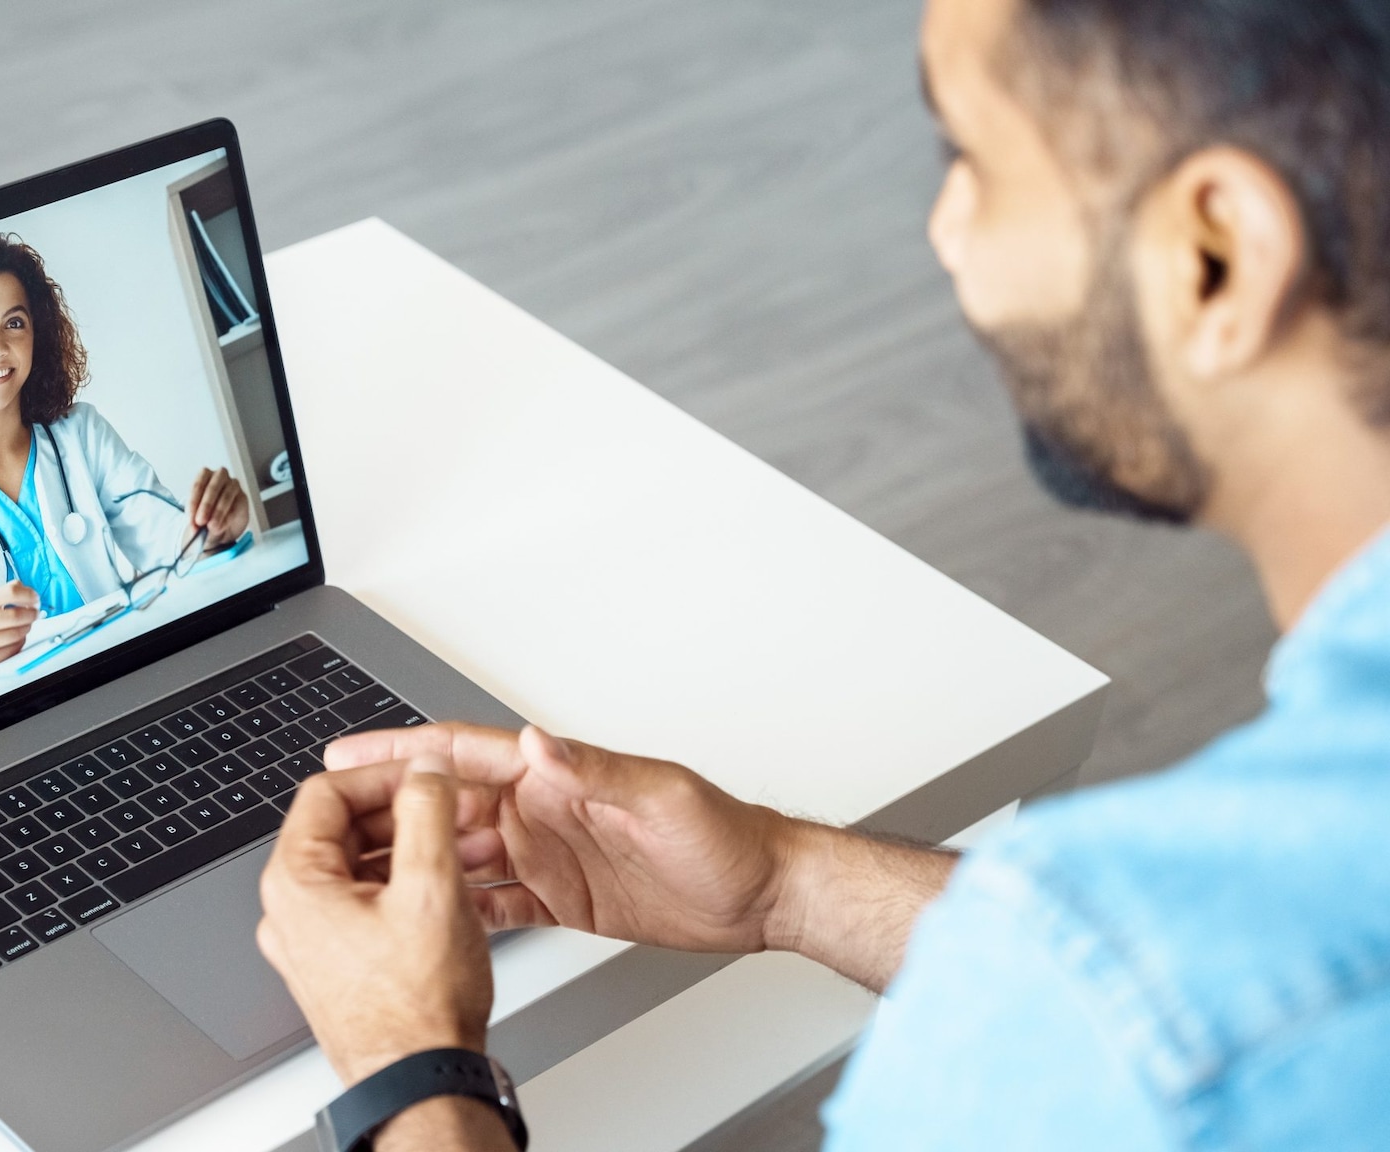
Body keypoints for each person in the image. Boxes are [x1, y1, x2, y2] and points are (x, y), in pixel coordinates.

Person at [255, 0, 1390, 1147]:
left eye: (972, 161)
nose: (944, 231)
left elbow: (1133, 1009)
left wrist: (409, 1069)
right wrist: (783, 882)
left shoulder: (1110, 1052)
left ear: (1216, 256)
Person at [0, 235, 250, 712]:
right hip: (13, 725)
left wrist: (216, 528)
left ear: (38, 334)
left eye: (14, 323)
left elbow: (174, 544)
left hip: (125, 686)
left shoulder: (82, 436)